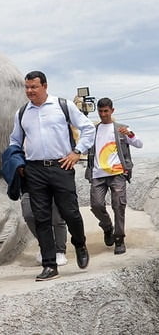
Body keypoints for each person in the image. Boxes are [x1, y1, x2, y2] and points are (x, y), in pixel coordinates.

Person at [9, 70, 95, 282]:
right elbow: (14, 142)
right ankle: (50, 264)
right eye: (27, 87)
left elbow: (88, 129)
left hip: (61, 166)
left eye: (34, 87)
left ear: (45, 86)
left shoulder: (63, 106)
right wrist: (19, 163)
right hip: (34, 170)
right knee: (41, 218)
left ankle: (80, 243)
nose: (29, 91)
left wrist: (77, 153)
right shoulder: (21, 113)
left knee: (70, 212)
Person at [87, 97, 143, 255]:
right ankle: (107, 227)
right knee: (96, 205)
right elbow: (85, 148)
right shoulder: (94, 130)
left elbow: (139, 144)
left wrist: (130, 134)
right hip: (98, 174)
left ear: (112, 110)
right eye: (100, 111)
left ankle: (119, 239)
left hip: (117, 174)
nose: (103, 114)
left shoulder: (121, 129)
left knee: (119, 206)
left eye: (106, 111)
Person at [20, 193, 68, 266]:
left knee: (57, 218)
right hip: (30, 186)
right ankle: (46, 245)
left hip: (53, 185)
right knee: (28, 215)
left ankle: (59, 250)